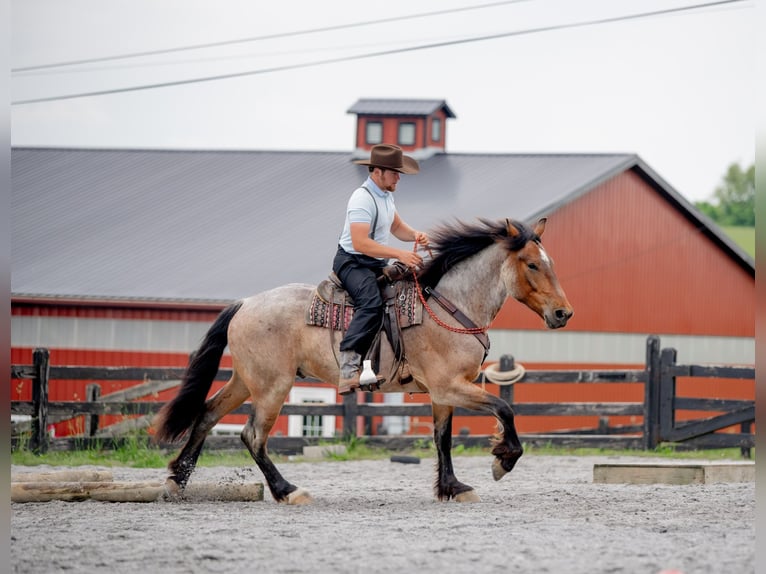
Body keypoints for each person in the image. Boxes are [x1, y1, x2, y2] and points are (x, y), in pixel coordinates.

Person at [333, 144, 429, 395]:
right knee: (371, 303)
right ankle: (348, 369)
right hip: (353, 263)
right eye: (395, 172)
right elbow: (360, 243)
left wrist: (416, 234)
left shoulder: (385, 195)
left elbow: (397, 228)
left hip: (373, 262)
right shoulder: (362, 198)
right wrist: (399, 254)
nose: (399, 177)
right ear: (378, 172)